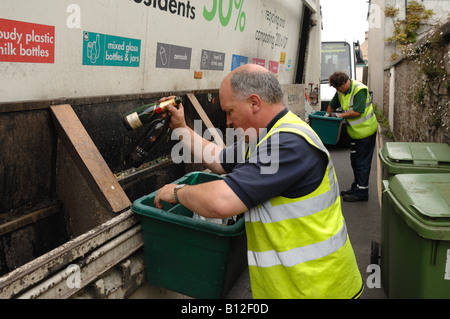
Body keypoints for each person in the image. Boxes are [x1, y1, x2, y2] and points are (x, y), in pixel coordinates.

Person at [154, 64, 363, 299]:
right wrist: (181, 128)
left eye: (230, 111)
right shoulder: (264, 137)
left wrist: (177, 192)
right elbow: (220, 160)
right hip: (292, 287)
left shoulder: (289, 144)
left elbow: (220, 202)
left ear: (254, 103)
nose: (228, 121)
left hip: (318, 289)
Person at [326, 71, 378, 202]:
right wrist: (327, 117)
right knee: (355, 161)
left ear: (344, 83)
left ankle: (362, 192)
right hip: (354, 133)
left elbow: (358, 111)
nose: (337, 90)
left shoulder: (359, 90)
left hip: (366, 132)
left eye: (338, 88)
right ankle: (356, 187)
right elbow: (332, 105)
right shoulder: (341, 91)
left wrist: (339, 116)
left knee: (362, 162)